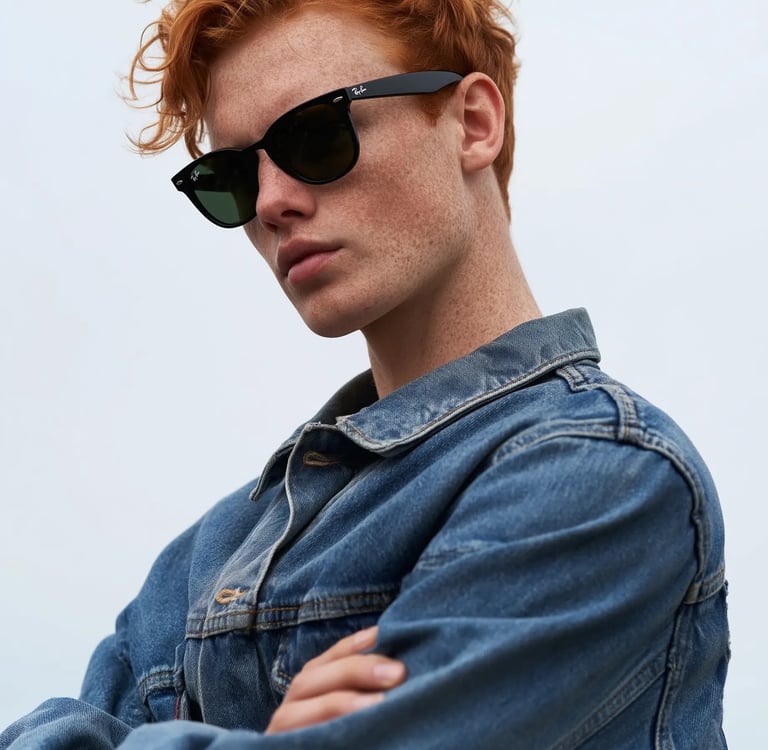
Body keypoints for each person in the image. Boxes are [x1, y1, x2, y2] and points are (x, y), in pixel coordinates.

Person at [0, 0, 729, 748]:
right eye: (233, 178)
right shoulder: (202, 561)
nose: (274, 203)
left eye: (315, 135)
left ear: (473, 123)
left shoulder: (600, 474)